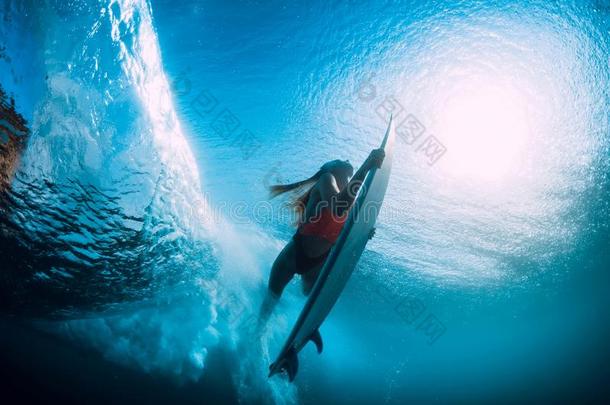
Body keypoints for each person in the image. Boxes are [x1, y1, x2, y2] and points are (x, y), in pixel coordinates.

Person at [258, 148, 385, 323]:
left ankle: (299, 326)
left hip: (317, 266)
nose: (346, 158)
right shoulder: (326, 179)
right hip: (293, 257)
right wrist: (366, 166)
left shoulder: (352, 205)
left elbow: (344, 239)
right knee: (267, 308)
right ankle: (256, 334)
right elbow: (338, 206)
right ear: (331, 168)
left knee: (307, 297)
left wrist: (362, 233)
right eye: (340, 158)